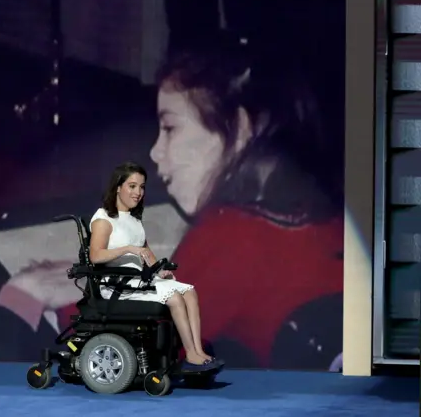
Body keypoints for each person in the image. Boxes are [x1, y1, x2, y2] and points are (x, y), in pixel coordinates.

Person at [149, 34, 344, 369]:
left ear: (240, 127)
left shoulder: (232, 235)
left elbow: (135, 349)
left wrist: (40, 299)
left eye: (170, 128)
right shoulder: (329, 216)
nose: (154, 152)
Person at [88, 161, 222, 370]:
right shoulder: (104, 218)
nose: (138, 192)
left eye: (141, 187)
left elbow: (146, 251)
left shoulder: (133, 219)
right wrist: (128, 249)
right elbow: (95, 256)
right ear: (118, 187)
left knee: (190, 292)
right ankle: (189, 353)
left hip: (137, 281)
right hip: (116, 285)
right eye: (132, 186)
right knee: (175, 298)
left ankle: (197, 350)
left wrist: (160, 271)